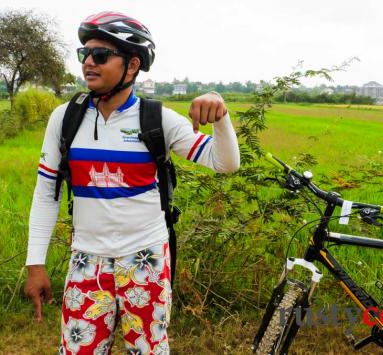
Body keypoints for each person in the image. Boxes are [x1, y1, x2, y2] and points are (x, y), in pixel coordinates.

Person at [23, 11, 239, 354]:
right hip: (86, 260)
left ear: (133, 64)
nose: (89, 63)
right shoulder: (65, 118)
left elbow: (225, 163)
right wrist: (35, 264)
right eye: (85, 54)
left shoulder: (158, 120)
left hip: (145, 258)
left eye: (101, 55)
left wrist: (221, 116)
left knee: (149, 350)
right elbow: (46, 194)